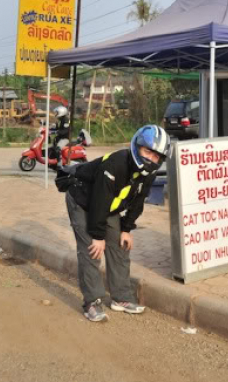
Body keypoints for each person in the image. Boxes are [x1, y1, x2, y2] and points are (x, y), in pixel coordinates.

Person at [64, 124, 170, 322]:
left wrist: (126, 229)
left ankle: (121, 297)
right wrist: (97, 236)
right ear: (137, 146)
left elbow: (138, 202)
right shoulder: (116, 164)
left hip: (105, 206)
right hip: (82, 199)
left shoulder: (149, 173)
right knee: (92, 250)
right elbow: (98, 201)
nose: (151, 159)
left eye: (157, 156)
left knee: (120, 246)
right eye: (147, 151)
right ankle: (92, 302)